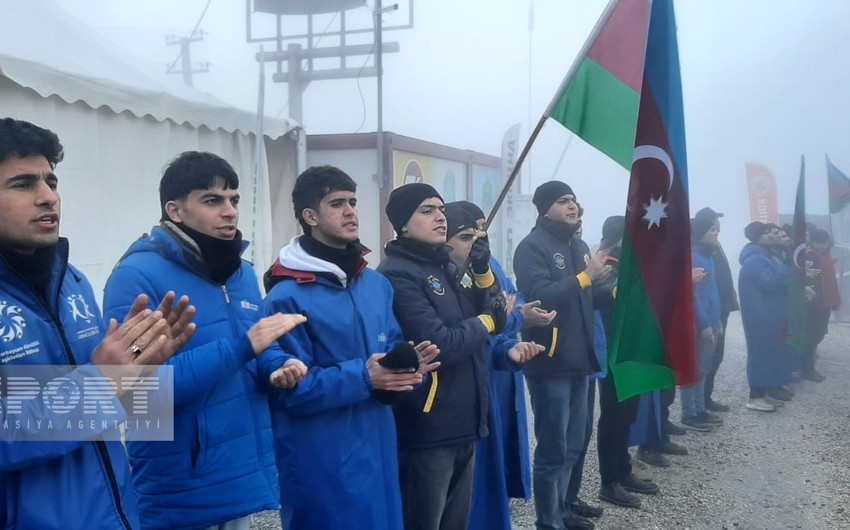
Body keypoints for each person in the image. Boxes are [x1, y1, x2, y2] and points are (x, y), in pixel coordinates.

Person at [0, 118, 196, 529]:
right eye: (22, 184)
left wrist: (141, 369)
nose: (48, 197)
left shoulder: (73, 283)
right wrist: (104, 380)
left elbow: (107, 411)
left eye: (51, 182)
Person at [103, 151, 308, 530]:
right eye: (212, 200)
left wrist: (277, 366)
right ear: (175, 211)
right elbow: (136, 396)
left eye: (234, 199)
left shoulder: (242, 273)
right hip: (180, 487)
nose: (229, 211)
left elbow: (255, 346)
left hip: (241, 470)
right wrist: (241, 349)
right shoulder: (135, 277)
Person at [262, 166, 440, 530]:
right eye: (337, 203)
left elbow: (389, 344)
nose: (350, 211)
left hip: (379, 448)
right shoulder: (286, 298)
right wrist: (365, 376)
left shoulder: (375, 284)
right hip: (321, 460)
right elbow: (289, 393)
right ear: (310, 216)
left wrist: (406, 368)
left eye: (353, 202)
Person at [377, 184, 506, 530]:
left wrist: (481, 271)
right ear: (403, 223)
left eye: (441, 209)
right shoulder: (397, 273)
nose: (439, 217)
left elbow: (496, 310)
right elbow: (440, 344)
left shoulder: (446, 267)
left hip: (466, 418)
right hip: (428, 426)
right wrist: (485, 323)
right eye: (427, 210)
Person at [439, 203, 543, 530]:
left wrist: (510, 344)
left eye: (482, 232)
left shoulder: (486, 265)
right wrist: (512, 318)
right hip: (459, 392)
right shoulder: (443, 277)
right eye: (469, 234)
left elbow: (504, 309)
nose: (479, 240)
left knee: (490, 469)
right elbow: (486, 323)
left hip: (493, 375)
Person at [513, 181, 609, 530]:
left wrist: (609, 289)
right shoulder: (531, 247)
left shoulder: (579, 244)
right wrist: (585, 277)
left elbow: (586, 296)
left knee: (575, 443)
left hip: (580, 359)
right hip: (550, 362)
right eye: (563, 201)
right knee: (553, 449)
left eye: (574, 200)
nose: (573, 206)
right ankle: (547, 523)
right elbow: (541, 294)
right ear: (544, 208)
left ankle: (563, 510)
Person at [593, 216, 664, 508]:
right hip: (614, 349)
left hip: (632, 346)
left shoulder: (632, 262)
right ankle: (609, 481)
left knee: (628, 414)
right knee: (614, 416)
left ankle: (623, 471)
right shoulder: (607, 261)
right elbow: (604, 292)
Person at [739, 222, 790, 412]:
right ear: (757, 237)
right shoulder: (754, 259)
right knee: (759, 355)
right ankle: (755, 396)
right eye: (766, 232)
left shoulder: (764, 256)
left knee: (768, 354)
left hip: (769, 315)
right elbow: (769, 283)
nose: (771, 235)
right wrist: (786, 267)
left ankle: (766, 392)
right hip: (759, 317)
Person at [694, 207, 739, 412]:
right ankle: (698, 404)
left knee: (714, 357)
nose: (717, 226)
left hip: (719, 307)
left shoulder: (713, 246)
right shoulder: (697, 250)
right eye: (713, 222)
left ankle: (705, 398)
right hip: (707, 310)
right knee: (703, 360)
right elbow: (700, 289)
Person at [680, 217, 723, 431]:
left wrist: (717, 321)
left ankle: (699, 409)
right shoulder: (694, 256)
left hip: (711, 320)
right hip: (698, 323)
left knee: (704, 369)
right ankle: (689, 414)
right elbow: (694, 296)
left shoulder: (709, 256)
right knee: (694, 369)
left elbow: (712, 291)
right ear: (700, 232)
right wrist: (705, 323)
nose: (717, 233)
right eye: (712, 229)